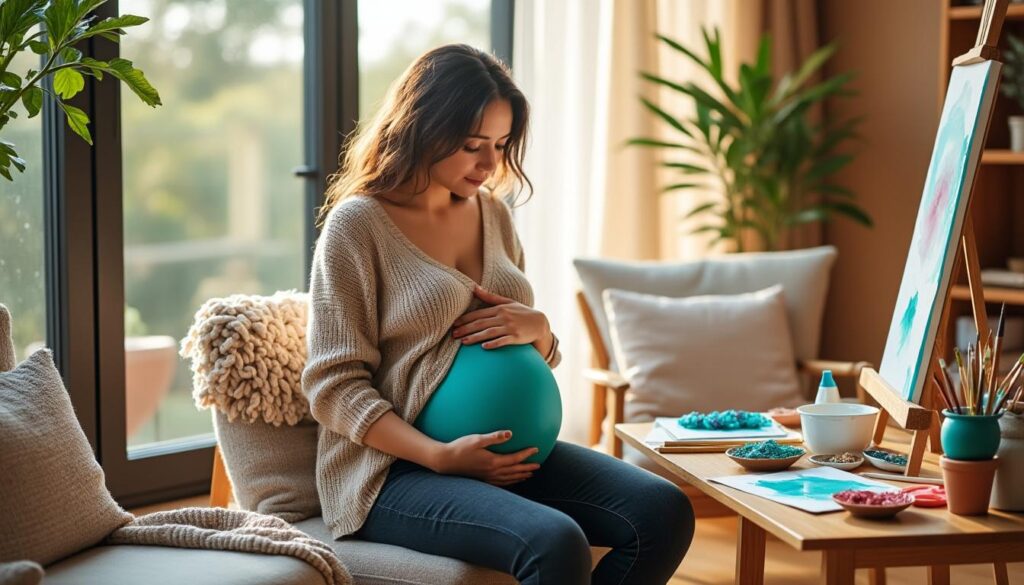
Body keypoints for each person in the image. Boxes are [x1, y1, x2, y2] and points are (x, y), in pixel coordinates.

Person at [302, 43, 694, 585]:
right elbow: (332, 386)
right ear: (422, 128)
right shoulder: (358, 225)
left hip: (512, 458)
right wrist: (439, 456)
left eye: (502, 145)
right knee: (555, 542)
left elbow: (520, 349)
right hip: (395, 474)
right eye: (472, 145)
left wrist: (542, 332)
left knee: (663, 512)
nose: (490, 164)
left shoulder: (493, 213)